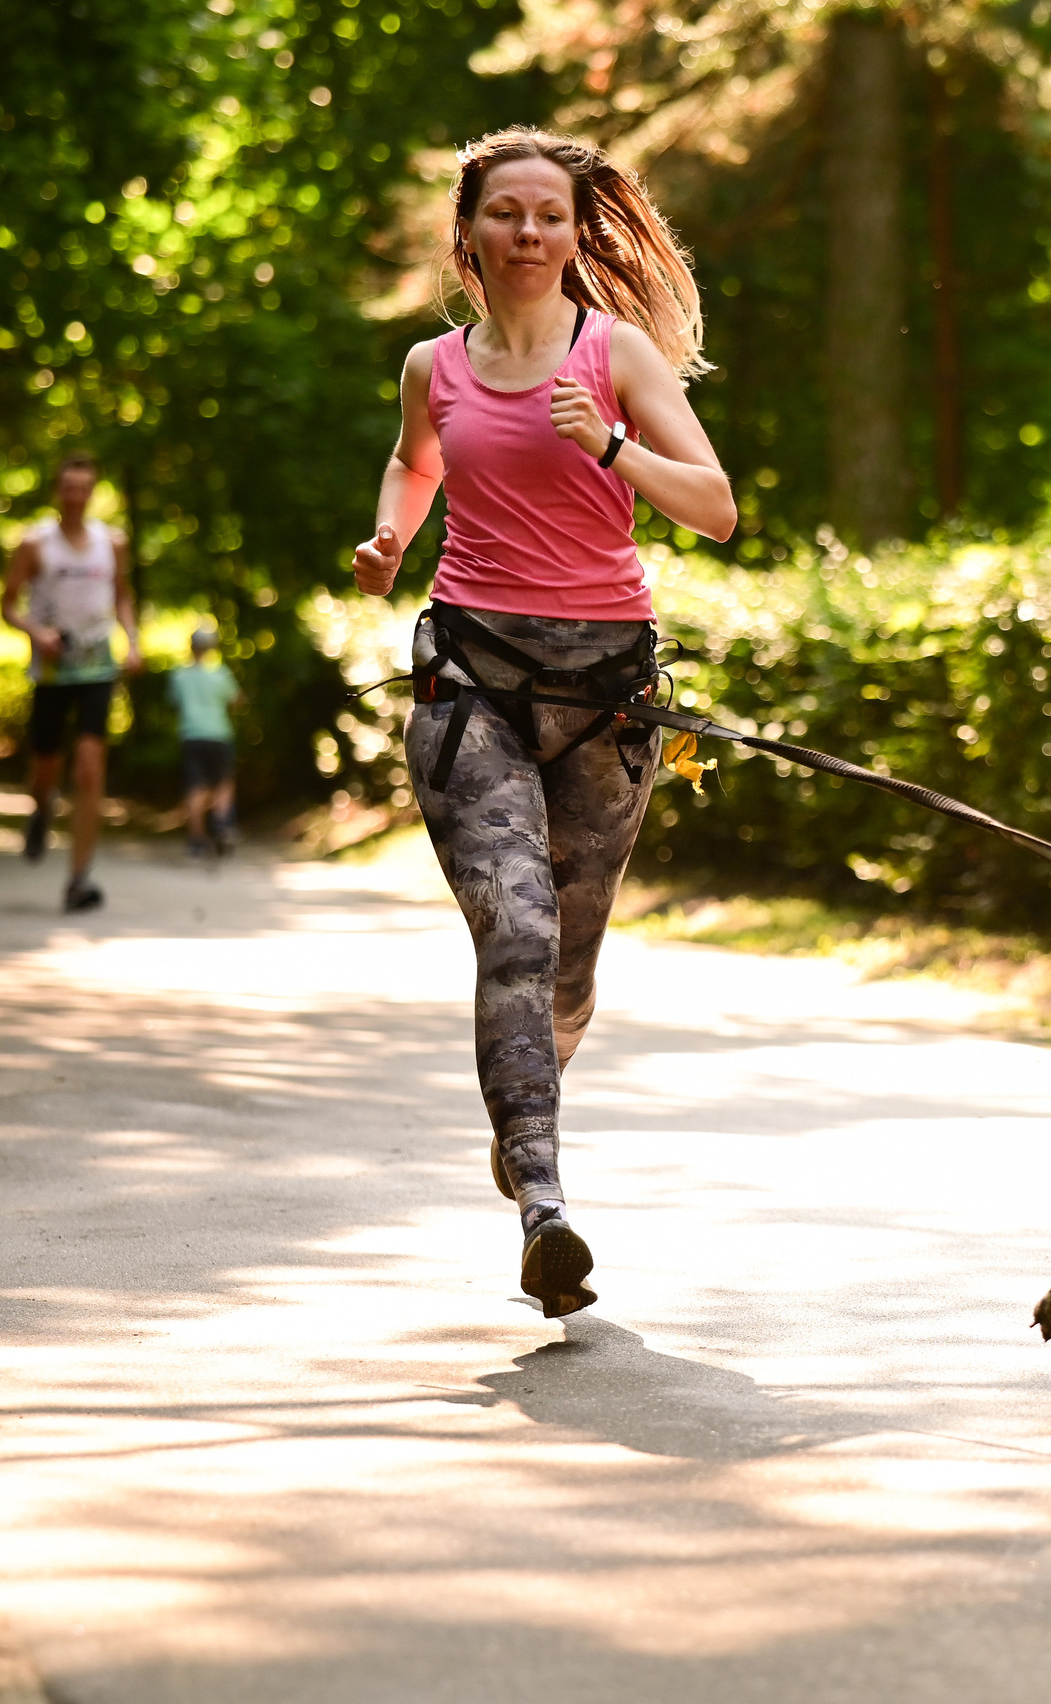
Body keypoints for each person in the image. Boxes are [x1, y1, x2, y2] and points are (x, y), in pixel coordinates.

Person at [349, 127, 737, 1318]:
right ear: (467, 233)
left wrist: (611, 444)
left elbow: (715, 508)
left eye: (550, 216)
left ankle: (522, 1110)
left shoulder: (615, 356)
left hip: (607, 694)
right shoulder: (434, 366)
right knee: (512, 929)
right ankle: (543, 1202)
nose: (528, 233)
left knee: (566, 964)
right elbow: (416, 463)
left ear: (577, 235)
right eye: (505, 213)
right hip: (472, 675)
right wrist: (391, 538)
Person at [2, 453, 139, 913]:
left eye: (84, 488)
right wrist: (36, 632)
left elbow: (122, 596)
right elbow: (7, 604)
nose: (77, 496)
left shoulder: (111, 543)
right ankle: (41, 808)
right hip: (53, 670)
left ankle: (79, 878)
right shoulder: (34, 543)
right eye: (69, 488)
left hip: (97, 667)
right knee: (45, 770)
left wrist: (133, 641)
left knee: (88, 767)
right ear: (58, 492)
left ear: (93, 491)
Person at [166, 625, 242, 859]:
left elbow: (173, 703)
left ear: (192, 646)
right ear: (212, 647)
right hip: (219, 734)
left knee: (195, 787)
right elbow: (237, 700)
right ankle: (220, 823)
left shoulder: (179, 675)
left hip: (191, 735)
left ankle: (197, 840)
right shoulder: (222, 675)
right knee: (223, 783)